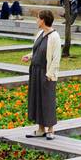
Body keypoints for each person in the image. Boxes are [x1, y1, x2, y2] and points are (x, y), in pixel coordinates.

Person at [26, 9, 61, 140]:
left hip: (46, 73)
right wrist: (29, 57)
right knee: (37, 99)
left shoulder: (54, 36)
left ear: (43, 20)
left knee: (47, 100)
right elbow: (37, 50)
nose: (36, 20)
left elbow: (56, 58)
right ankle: (41, 129)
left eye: (38, 18)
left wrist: (49, 74)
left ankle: (50, 129)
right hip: (35, 71)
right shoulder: (40, 33)